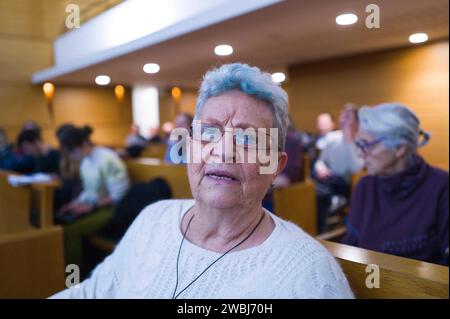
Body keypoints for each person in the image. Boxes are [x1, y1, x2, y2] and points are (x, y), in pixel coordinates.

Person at [51, 63, 353, 299]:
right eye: (208, 132)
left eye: (247, 138)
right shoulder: (153, 218)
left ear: (274, 165)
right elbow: (95, 291)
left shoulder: (308, 274)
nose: (223, 149)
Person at [342, 103, 448, 266]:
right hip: (368, 284)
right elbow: (351, 246)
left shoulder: (442, 187)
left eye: (367, 144)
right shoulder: (364, 186)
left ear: (399, 148)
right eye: (358, 143)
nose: (359, 153)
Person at [56, 125, 130, 219]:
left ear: (83, 144)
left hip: (112, 210)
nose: (71, 157)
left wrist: (92, 206)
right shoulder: (85, 161)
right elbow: (89, 191)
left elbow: (119, 196)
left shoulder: (108, 159)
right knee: (62, 218)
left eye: (72, 151)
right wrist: (76, 203)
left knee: (68, 231)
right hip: (96, 206)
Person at [313, 106, 364, 233]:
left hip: (349, 186)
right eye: (342, 115)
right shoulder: (331, 137)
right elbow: (320, 161)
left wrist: (348, 140)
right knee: (313, 192)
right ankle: (318, 231)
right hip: (329, 180)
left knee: (320, 195)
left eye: (347, 116)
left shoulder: (362, 141)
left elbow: (356, 168)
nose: (342, 119)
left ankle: (321, 233)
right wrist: (321, 168)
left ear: (356, 123)